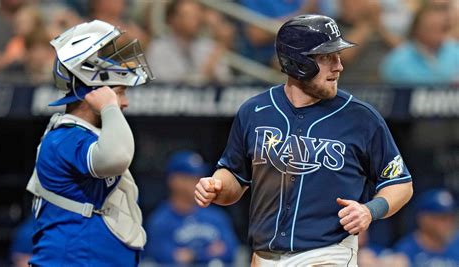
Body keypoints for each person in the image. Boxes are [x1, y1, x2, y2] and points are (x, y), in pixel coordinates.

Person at [194, 14, 413, 266]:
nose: (338, 66)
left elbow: (400, 183)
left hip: (329, 252)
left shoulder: (362, 118)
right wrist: (216, 185)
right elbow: (234, 175)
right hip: (264, 255)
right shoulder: (255, 111)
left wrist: (369, 210)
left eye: (338, 55)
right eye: (326, 57)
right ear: (297, 62)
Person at [25, 20, 154, 266]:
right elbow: (117, 156)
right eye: (119, 92)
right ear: (94, 92)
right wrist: (108, 105)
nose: (123, 103)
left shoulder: (87, 134)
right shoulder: (64, 137)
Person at [145, 150, 240, 266]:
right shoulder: (160, 220)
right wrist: (207, 252)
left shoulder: (216, 216)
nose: (200, 182)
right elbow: (167, 258)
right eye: (191, 178)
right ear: (174, 181)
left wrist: (193, 255)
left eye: (200, 177)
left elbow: (230, 251)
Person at [380, 3, 459, 85]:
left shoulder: (456, 52)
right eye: (432, 27)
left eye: (442, 28)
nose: (437, 32)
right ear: (417, 29)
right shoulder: (397, 60)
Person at [394, 188, 459, 266]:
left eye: (451, 217)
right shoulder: (405, 251)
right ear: (424, 219)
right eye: (442, 218)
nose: (448, 223)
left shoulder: (456, 244)